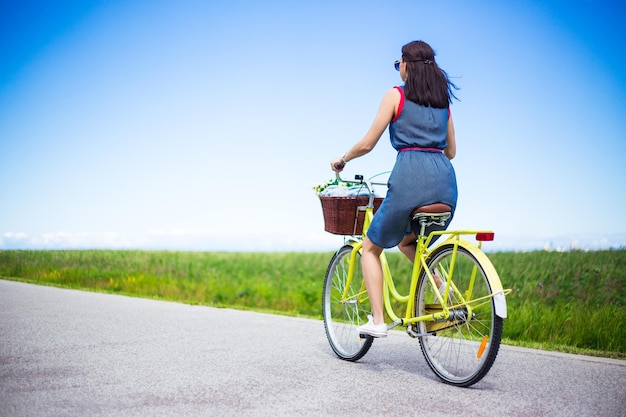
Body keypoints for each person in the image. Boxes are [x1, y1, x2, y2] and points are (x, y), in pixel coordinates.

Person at [330, 40, 459, 338]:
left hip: (409, 180)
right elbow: (451, 151)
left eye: (398, 62)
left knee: (370, 248)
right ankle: (442, 286)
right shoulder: (443, 104)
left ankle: (377, 321)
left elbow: (367, 143)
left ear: (407, 65)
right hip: (446, 184)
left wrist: (343, 159)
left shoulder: (395, 95)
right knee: (408, 242)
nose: (397, 68)